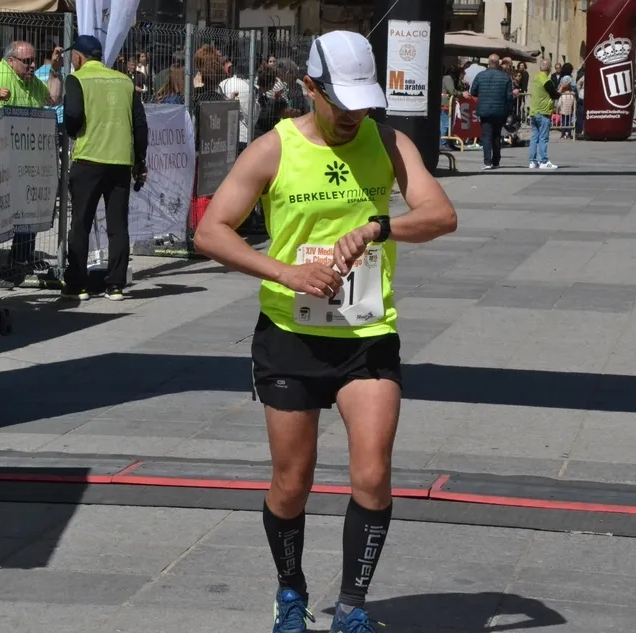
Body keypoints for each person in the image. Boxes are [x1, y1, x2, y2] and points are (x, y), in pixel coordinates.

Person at [193, 30, 457, 633]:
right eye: (342, 104)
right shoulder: (273, 149)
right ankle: (291, 591)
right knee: (292, 483)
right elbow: (211, 232)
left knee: (373, 474)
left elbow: (441, 214)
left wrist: (380, 227)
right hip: (291, 337)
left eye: (363, 103)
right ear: (310, 88)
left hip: (367, 334)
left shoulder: (387, 142)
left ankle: (353, 608)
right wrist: (286, 272)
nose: (353, 116)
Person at [61, 35, 148, 301]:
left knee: (81, 224)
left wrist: (72, 131)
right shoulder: (124, 81)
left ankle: (77, 285)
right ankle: (116, 285)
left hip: (88, 159)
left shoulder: (77, 79)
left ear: (79, 57)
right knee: (118, 225)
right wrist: (140, 160)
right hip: (120, 161)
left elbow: (73, 115)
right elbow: (140, 124)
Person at [0, 40, 63, 273]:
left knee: (28, 205)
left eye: (34, 60)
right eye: (27, 61)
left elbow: (53, 99)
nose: (32, 65)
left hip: (27, 160)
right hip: (2, 160)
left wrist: (55, 71)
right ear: (11, 61)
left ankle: (22, 258)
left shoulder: (31, 81)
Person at [465, 54, 514, 170]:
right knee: (497, 135)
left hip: (484, 109)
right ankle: (496, 160)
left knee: (486, 136)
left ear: (488, 63)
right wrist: (509, 110)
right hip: (499, 110)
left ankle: (487, 162)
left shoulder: (480, 75)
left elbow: (473, 91)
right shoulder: (505, 77)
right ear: (498, 64)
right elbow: (509, 96)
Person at [527, 58, 560, 169]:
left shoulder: (535, 78)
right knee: (543, 138)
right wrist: (562, 88)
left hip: (534, 111)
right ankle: (543, 161)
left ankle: (532, 161)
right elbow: (554, 95)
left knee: (534, 137)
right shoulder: (547, 81)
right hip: (543, 112)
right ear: (550, 69)